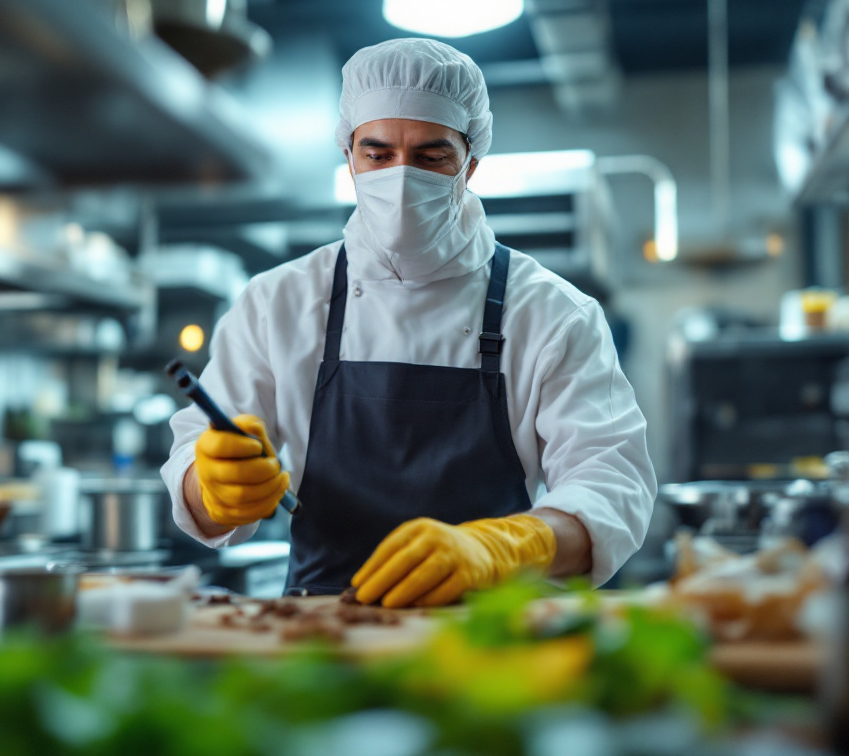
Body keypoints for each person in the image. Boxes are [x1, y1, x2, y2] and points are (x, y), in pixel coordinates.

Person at [160, 38, 655, 608]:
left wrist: (508, 547)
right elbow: (197, 467)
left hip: (490, 635)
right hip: (317, 634)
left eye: (430, 156)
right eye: (377, 154)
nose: (399, 178)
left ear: (470, 164)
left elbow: (614, 484)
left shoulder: (552, 313)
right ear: (349, 155)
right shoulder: (278, 301)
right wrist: (216, 486)